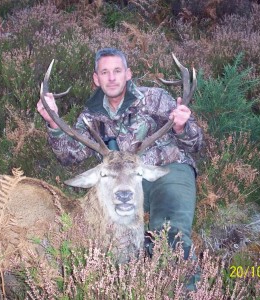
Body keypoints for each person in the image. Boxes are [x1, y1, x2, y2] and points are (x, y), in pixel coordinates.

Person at [37, 47, 203, 286]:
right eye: (105, 72)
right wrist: (53, 122)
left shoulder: (155, 98)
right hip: (118, 181)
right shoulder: (90, 116)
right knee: (94, 234)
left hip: (166, 171)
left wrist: (181, 127)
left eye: (117, 70)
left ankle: (188, 290)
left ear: (128, 74)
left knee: (169, 236)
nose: (112, 77)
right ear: (96, 78)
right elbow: (70, 156)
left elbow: (197, 144)